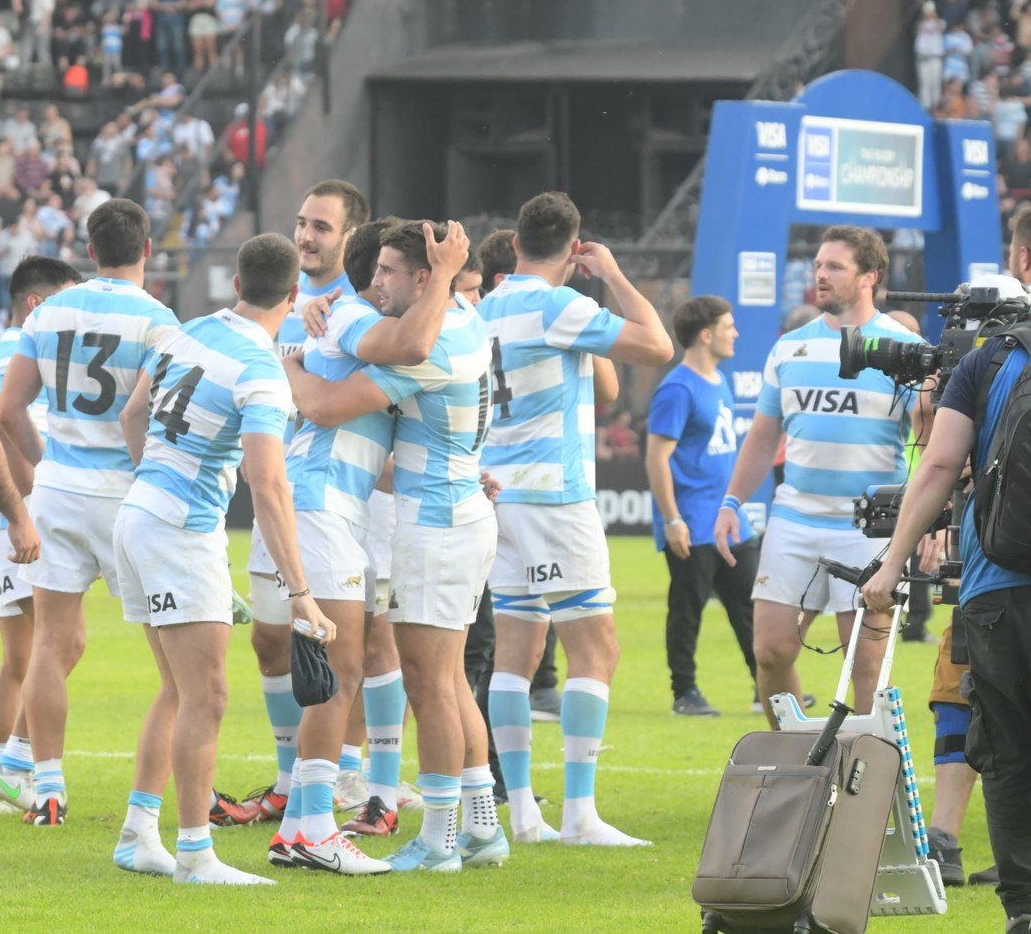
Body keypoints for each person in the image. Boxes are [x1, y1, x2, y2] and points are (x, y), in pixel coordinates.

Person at [113, 232, 336, 885]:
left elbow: (132, 415)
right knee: (206, 695)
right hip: (180, 528)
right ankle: (193, 853)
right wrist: (300, 592)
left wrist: (154, 486)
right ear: (293, 295)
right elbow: (268, 484)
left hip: (141, 510)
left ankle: (137, 833)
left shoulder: (188, 329)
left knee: (178, 690)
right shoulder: (263, 372)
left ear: (235, 283)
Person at [282, 219, 497, 873]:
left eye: (385, 273)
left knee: (427, 682)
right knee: (448, 677)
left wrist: (283, 361)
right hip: (454, 510)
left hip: (436, 522)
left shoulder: (425, 345)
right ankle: (483, 825)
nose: (373, 284)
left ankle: (438, 839)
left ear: (422, 278)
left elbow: (324, 405)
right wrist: (316, 308)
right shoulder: (461, 323)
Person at [478, 191, 672, 847]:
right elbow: (655, 345)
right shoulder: (558, 304)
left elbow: (602, 385)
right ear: (573, 247)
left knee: (515, 653)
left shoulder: (487, 305)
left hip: (497, 494)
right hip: (554, 496)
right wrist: (612, 276)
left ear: (513, 244)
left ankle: (523, 812)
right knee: (597, 647)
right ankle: (580, 813)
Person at [0, 198, 180, 826]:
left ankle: (47, 787)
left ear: (90, 249)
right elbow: (159, 418)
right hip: (128, 495)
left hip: (59, 491)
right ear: (147, 249)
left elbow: (8, 410)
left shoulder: (51, 312)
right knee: (172, 657)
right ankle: (158, 802)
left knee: (49, 643)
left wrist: (48, 464)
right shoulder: (159, 321)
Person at [861, 264, 1031, 931]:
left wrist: (891, 561)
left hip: (996, 588)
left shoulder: (988, 360)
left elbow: (935, 464)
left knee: (1010, 750)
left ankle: (1022, 908)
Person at [717, 225, 925, 728]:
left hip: (870, 530)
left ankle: (861, 783)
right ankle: (795, 769)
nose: (820, 276)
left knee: (868, 668)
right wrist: (731, 502)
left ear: (870, 276)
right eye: (817, 266)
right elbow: (764, 437)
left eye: (834, 267)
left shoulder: (905, 349)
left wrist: (929, 524)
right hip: (795, 518)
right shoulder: (790, 348)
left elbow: (933, 439)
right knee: (771, 650)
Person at [240, 179, 366, 826]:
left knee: (348, 648)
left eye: (321, 225)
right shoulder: (277, 306)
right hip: (276, 495)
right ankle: (291, 780)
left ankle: (352, 779)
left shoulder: (358, 307)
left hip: (337, 498)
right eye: (301, 222)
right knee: (269, 642)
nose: (306, 235)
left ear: (349, 236)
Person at [0, 256, 83, 815]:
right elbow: (1, 427)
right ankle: (12, 769)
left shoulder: (37, 350)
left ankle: (6, 775)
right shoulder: (15, 351)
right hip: (12, 518)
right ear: (39, 305)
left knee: (34, 654)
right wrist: (28, 508)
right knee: (45, 650)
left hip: (18, 516)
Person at [644, 295, 757, 718]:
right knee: (687, 609)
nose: (736, 334)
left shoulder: (718, 379)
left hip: (728, 519)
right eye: (729, 326)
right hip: (691, 519)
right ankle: (684, 692)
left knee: (750, 606)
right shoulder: (677, 387)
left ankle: (768, 688)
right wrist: (672, 519)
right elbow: (656, 457)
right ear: (706, 335)